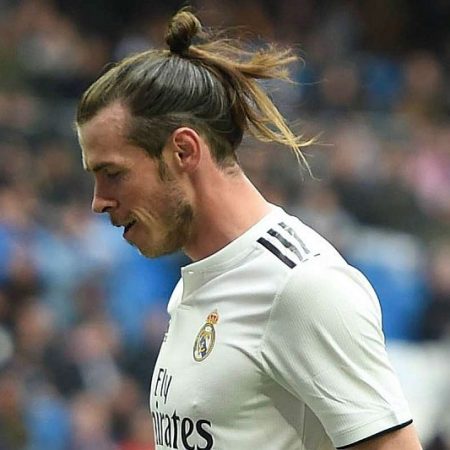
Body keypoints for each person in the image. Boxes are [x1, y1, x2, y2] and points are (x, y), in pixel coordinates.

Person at [76, 8, 422, 450]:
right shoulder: (194, 285)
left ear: (184, 151)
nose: (99, 201)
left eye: (113, 173)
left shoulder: (302, 287)